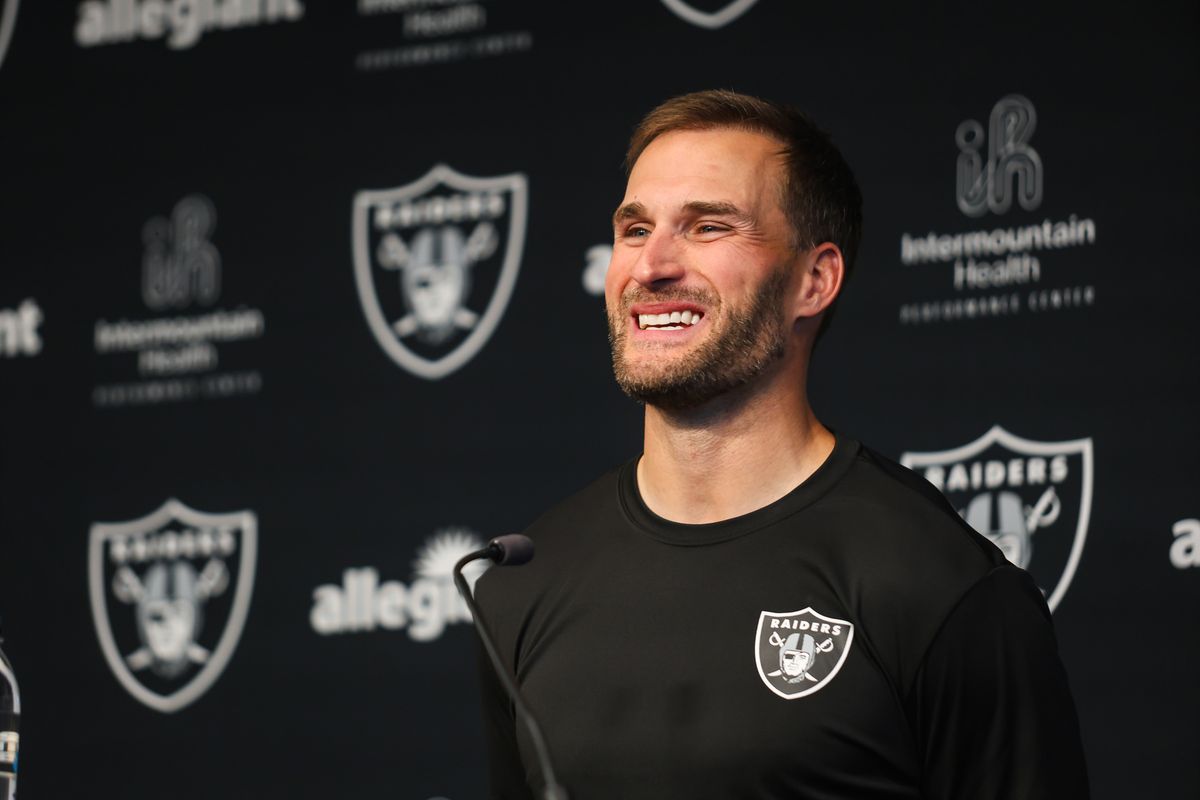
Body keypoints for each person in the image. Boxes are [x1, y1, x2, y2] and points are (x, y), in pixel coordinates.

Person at [475, 89, 1089, 799]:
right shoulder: (524, 583)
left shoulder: (941, 585)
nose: (651, 266)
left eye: (708, 227)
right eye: (635, 229)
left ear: (814, 280)